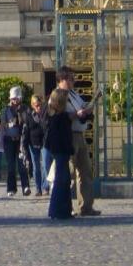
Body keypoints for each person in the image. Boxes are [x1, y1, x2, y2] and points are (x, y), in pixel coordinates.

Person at [56, 66, 101, 216]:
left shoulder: (74, 94)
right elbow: (58, 117)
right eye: (70, 78)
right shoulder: (58, 95)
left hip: (80, 135)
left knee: (85, 171)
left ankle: (86, 206)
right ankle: (66, 206)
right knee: (69, 173)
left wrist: (88, 109)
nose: (73, 81)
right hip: (68, 136)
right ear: (62, 79)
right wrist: (76, 114)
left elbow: (82, 107)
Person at [43, 88, 74, 220]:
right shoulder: (59, 117)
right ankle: (55, 210)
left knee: (65, 180)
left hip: (61, 150)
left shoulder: (57, 116)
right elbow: (60, 138)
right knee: (61, 180)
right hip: (61, 151)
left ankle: (65, 210)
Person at [0, 85, 32, 196]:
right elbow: (2, 125)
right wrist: (10, 124)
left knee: (22, 164)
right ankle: (11, 189)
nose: (15, 101)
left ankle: (25, 187)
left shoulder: (25, 109)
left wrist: (22, 117)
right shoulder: (5, 110)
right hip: (9, 140)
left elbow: (28, 122)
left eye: (17, 98)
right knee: (11, 166)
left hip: (21, 140)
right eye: (13, 99)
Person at [26, 93, 49, 196]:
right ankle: (38, 189)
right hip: (33, 143)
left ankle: (45, 187)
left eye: (40, 105)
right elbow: (26, 131)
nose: (38, 107)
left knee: (45, 164)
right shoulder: (29, 115)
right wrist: (24, 145)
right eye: (36, 105)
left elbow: (47, 128)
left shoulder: (45, 114)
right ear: (32, 105)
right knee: (36, 166)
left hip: (44, 142)